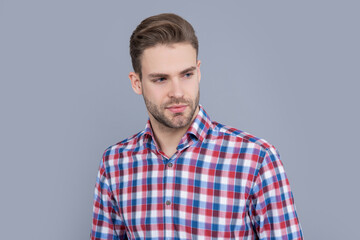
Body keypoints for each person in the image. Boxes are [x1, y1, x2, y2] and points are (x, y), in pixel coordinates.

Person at [91, 13, 303, 240]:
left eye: (187, 74)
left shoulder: (256, 159)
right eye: (160, 79)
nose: (178, 92)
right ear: (136, 83)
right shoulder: (115, 164)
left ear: (198, 71)